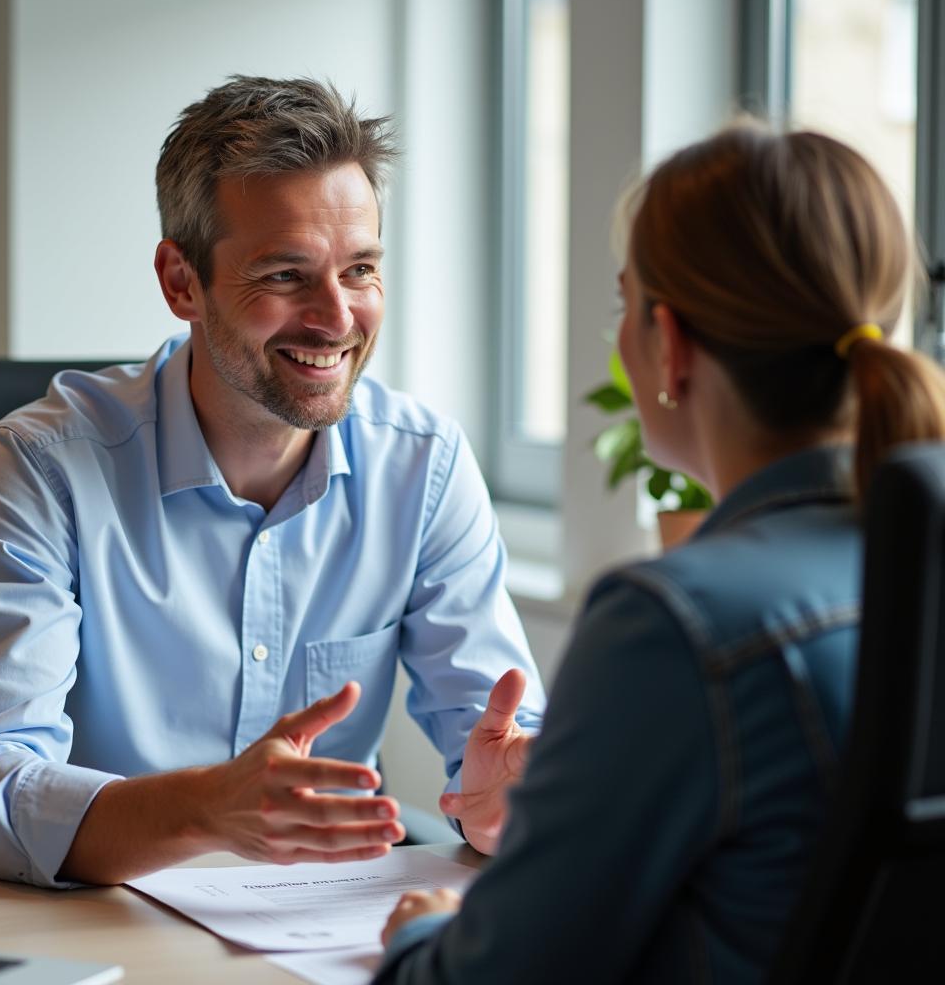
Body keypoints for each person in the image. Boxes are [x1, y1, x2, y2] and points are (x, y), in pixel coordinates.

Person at [0, 76, 545, 888]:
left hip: (320, 934)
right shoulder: (42, 467)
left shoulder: (422, 468)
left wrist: (514, 801)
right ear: (182, 281)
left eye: (359, 269)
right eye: (286, 275)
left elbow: (496, 747)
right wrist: (208, 809)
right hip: (105, 929)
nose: (336, 318)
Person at [375, 123, 945, 983]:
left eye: (623, 306)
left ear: (669, 346)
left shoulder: (677, 625)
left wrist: (422, 936)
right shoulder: (910, 569)